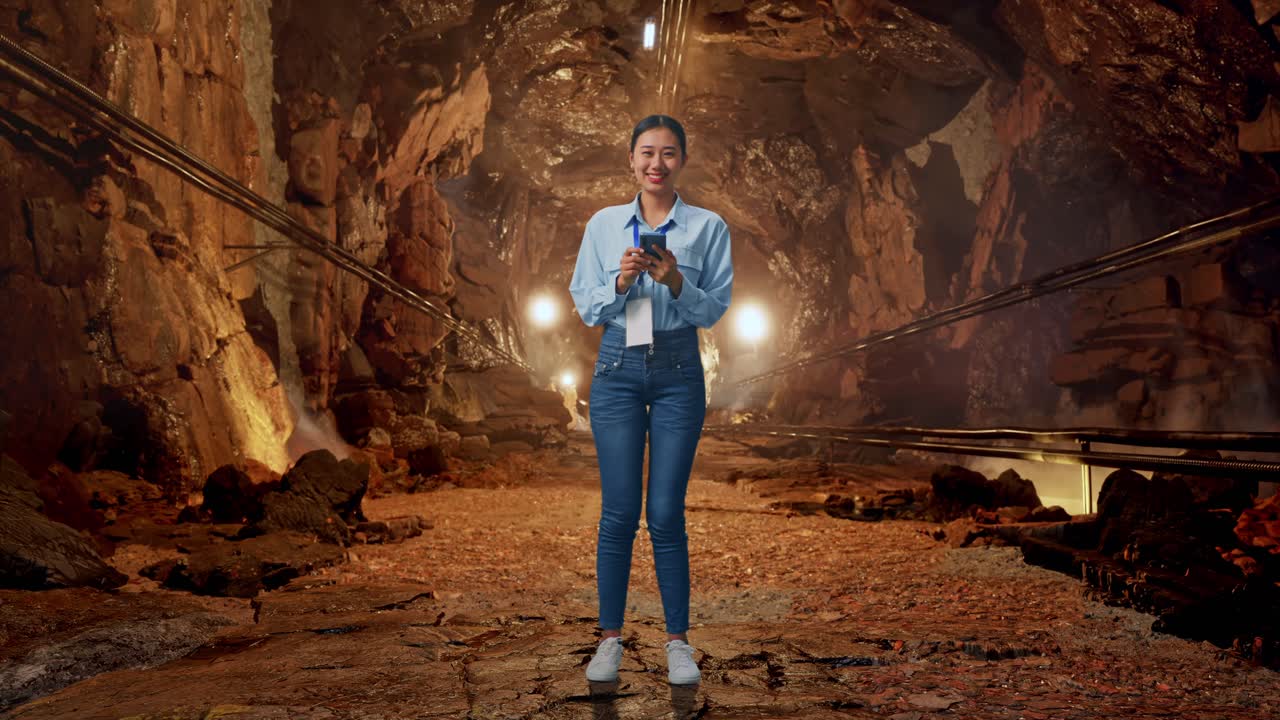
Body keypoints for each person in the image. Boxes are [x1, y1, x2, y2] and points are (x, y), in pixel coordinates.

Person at [568, 114, 733, 686]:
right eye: (645, 153)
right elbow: (584, 304)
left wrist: (676, 282)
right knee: (618, 513)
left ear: (681, 160)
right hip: (617, 366)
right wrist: (618, 283)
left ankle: (678, 644)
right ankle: (609, 639)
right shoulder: (604, 224)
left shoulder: (708, 227)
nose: (655, 163)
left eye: (667, 153)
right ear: (631, 160)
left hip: (678, 368)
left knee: (664, 512)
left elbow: (715, 308)